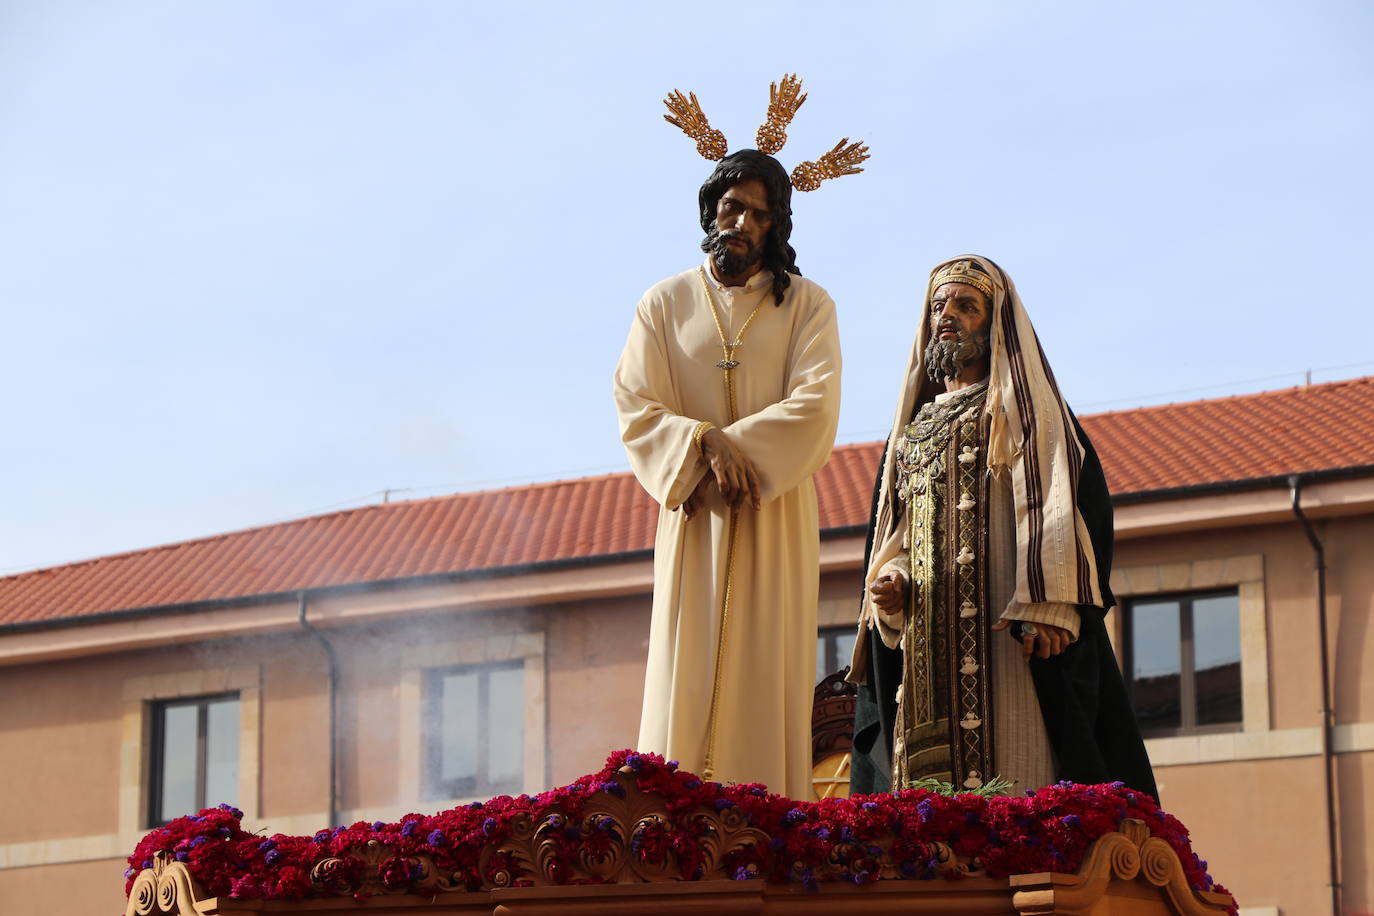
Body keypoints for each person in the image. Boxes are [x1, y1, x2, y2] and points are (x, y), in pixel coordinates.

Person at [848, 255, 1157, 800]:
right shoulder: (910, 433)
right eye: (938, 307)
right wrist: (891, 582)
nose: (947, 316)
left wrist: (1051, 603)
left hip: (1007, 641)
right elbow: (896, 532)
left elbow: (1063, 505)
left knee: (1018, 777)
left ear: (995, 326)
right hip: (928, 656)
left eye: (966, 306)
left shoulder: (1028, 413)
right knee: (923, 800)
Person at [613, 149, 841, 799]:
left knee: (766, 662)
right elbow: (635, 400)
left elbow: (816, 403)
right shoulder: (664, 303)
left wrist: (740, 452)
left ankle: (767, 820)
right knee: (686, 661)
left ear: (777, 226)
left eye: (758, 213)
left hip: (774, 511)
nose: (741, 221)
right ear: (711, 210)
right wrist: (702, 444)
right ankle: (670, 820)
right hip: (696, 511)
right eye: (731, 206)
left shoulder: (807, 307)